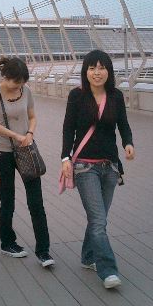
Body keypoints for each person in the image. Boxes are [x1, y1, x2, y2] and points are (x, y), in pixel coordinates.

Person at [60, 49, 135, 289]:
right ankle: (108, 270)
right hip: (84, 166)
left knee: (98, 218)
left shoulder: (116, 96)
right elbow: (68, 128)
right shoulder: (77, 96)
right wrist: (65, 157)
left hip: (110, 166)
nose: (97, 72)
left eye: (102, 68)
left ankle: (87, 256)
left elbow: (123, 125)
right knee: (99, 220)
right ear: (86, 71)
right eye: (92, 68)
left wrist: (128, 143)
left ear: (109, 71)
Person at [0, 57, 54, 267]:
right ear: (5, 77)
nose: (19, 86)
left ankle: (43, 251)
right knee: (8, 201)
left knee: (36, 202)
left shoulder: (26, 91)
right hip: (3, 152)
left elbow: (32, 117)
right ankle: (7, 243)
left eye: (22, 82)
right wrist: (14, 135)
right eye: (16, 82)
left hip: (25, 150)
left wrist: (30, 133)